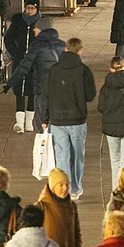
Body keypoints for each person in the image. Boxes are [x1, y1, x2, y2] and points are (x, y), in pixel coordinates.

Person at [39, 36, 97, 191]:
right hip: (77, 119)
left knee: (62, 156)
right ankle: (76, 188)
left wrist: (44, 118)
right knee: (78, 156)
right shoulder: (84, 70)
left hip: (57, 120)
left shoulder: (54, 70)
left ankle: (63, 188)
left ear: (65, 49)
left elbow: (46, 95)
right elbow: (91, 95)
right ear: (80, 51)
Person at [12, 21, 61, 134]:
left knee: (41, 115)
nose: (34, 30)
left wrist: (12, 80)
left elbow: (25, 64)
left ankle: (41, 135)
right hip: (55, 88)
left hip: (41, 86)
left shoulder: (37, 46)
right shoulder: (62, 45)